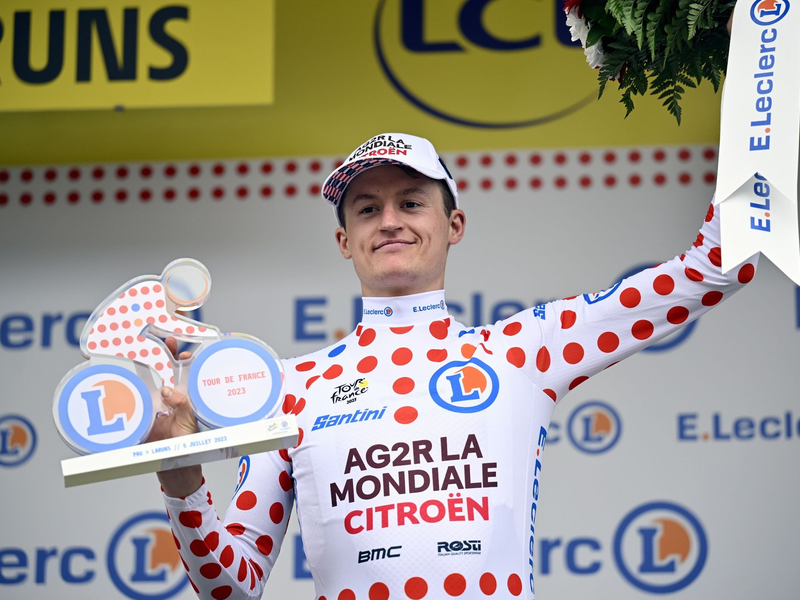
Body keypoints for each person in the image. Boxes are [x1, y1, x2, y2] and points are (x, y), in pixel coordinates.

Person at [151, 127, 758, 600]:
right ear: (344, 241)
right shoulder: (287, 387)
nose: (389, 220)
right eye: (366, 209)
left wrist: (756, 78)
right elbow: (232, 586)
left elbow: (718, 266)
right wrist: (182, 482)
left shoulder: (523, 351)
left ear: (454, 224)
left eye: (411, 201)